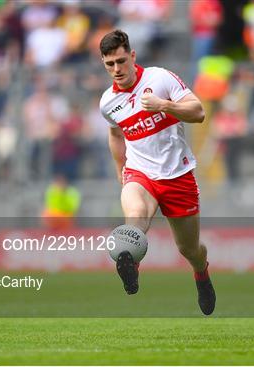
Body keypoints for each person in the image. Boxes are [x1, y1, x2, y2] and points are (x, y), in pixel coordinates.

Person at [98, 30, 216, 315]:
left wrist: (164, 105)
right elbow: (115, 134)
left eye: (121, 61)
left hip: (177, 175)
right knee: (135, 218)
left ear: (133, 56)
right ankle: (130, 262)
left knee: (189, 249)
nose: (116, 69)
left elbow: (198, 112)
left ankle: (201, 274)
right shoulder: (108, 103)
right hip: (141, 174)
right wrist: (121, 170)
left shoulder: (160, 79)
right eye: (109, 64)